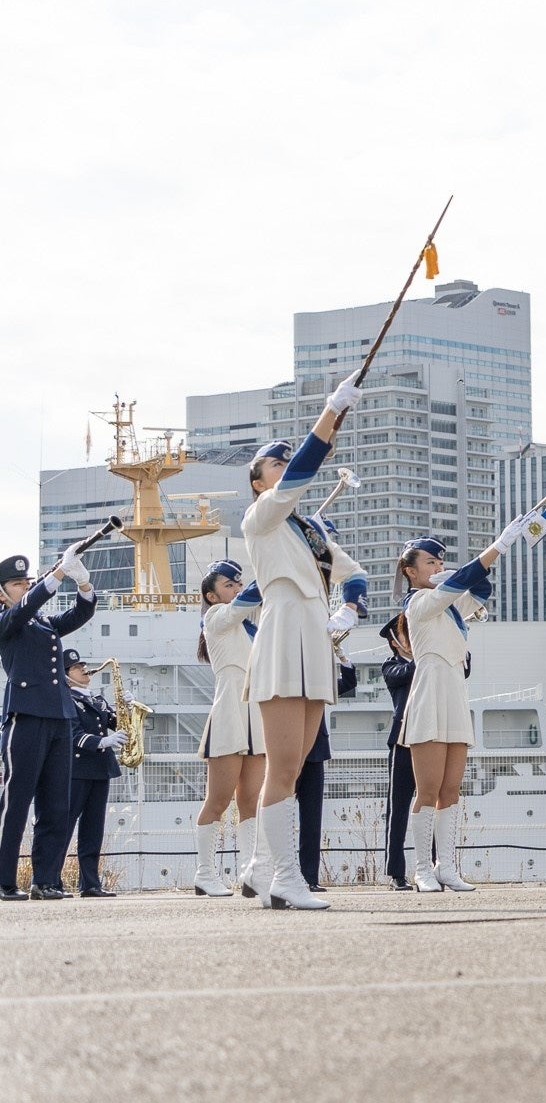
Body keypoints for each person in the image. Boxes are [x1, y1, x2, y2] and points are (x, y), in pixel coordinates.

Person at [240, 379, 371, 910]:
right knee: (283, 764)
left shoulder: (307, 529)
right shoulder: (262, 515)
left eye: (285, 460)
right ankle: (285, 878)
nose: (285, 464)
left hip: (314, 634)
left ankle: (264, 865)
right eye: (275, 462)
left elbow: (354, 572)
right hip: (283, 629)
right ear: (257, 482)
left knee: (297, 763)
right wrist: (329, 412)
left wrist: (351, 608)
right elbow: (299, 475)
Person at [398, 518, 537, 893]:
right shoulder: (420, 603)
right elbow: (465, 580)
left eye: (441, 562)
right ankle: (422, 868)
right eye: (430, 562)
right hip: (429, 690)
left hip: (455, 691)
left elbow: (481, 586)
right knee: (427, 789)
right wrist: (499, 546)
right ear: (411, 571)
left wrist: (465, 569)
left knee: (451, 789)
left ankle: (447, 866)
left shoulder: (447, 602)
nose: (437, 568)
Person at [0, 546, 99, 901]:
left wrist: (83, 583)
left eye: (27, 581)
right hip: (26, 718)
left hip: (60, 717)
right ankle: (4, 880)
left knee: (56, 804)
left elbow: (78, 616)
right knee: (15, 803)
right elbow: (25, 609)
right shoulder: (7, 620)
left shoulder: (41, 622)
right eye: (16, 583)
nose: (25, 587)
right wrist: (56, 574)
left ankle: (46, 880)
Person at [194, 560, 265, 897]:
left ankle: (251, 871)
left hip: (254, 712)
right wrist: (270, 564)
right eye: (228, 585)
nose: (236, 589)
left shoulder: (252, 627)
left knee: (251, 799)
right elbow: (248, 599)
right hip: (229, 711)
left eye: (238, 584)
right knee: (218, 800)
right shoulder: (216, 617)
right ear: (211, 595)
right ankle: (204, 873)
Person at [62, 652, 122, 898]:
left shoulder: (96, 699)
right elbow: (74, 736)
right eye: (77, 667)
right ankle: (49, 879)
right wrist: (103, 741)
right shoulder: (65, 698)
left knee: (93, 828)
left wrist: (126, 708)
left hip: (100, 769)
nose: (84, 669)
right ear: (66, 675)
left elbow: (116, 722)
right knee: (64, 827)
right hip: (76, 770)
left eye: (84, 665)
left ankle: (90, 883)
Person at [295, 656, 354, 892]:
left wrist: (343, 660)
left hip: (316, 751)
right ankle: (282, 874)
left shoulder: (318, 676)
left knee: (312, 821)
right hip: (288, 749)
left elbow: (347, 683)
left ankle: (309, 878)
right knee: (283, 816)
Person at [378, 616, 419, 889]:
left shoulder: (430, 660)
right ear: (395, 642)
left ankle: (434, 867)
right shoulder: (391, 666)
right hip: (402, 740)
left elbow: (464, 669)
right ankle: (396, 873)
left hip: (430, 737)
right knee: (398, 809)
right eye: (407, 635)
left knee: (431, 805)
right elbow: (411, 672)